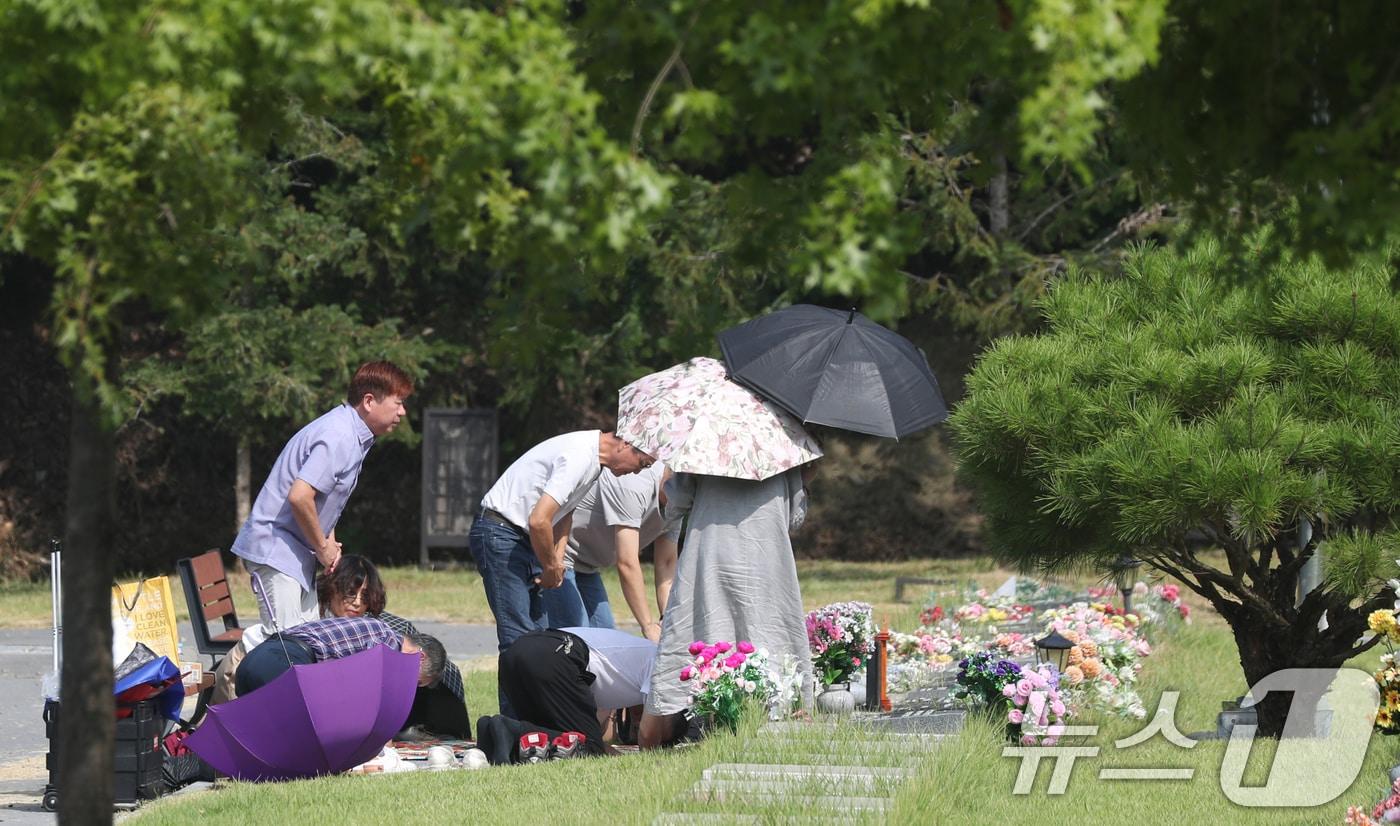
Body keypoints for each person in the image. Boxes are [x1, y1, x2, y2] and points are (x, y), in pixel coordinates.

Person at [638, 466, 816, 748]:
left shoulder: (704, 447)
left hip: (711, 550)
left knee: (706, 627)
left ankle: (684, 723)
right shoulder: (781, 451)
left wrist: (671, 481)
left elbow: (674, 506)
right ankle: (770, 712)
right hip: (765, 556)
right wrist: (805, 480)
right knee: (765, 629)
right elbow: (794, 518)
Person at [231, 361, 412, 633]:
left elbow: (321, 499)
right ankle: (230, 674)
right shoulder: (339, 436)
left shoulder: (352, 434)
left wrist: (328, 541)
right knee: (285, 645)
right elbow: (300, 496)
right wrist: (322, 547)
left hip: (293, 553)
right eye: (398, 403)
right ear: (369, 401)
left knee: (307, 640)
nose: (403, 411)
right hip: (276, 550)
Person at [470, 430, 655, 657]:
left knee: (540, 639)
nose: (637, 471)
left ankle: (538, 693)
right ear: (625, 444)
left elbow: (566, 513)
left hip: (524, 539)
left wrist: (557, 560)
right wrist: (550, 567)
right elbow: (539, 520)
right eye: (642, 463)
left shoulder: (595, 464)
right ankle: (517, 693)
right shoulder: (579, 456)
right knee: (517, 638)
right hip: (502, 533)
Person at [476, 626, 685, 765]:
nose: (639, 723)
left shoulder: (624, 675)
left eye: (635, 727)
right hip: (559, 655)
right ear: (669, 709)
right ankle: (510, 728)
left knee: (547, 744)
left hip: (520, 651)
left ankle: (492, 733)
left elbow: (595, 728)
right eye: (655, 721)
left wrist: (606, 748)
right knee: (587, 747)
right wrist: (634, 761)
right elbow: (648, 737)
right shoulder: (663, 665)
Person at [317, 555, 472, 737]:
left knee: (436, 670)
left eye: (365, 595)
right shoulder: (311, 620)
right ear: (332, 588)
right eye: (350, 592)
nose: (357, 602)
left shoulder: (394, 630)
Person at [540, 463, 681, 640]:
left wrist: (667, 620)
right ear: (669, 477)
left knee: (606, 638)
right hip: (559, 557)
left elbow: (667, 562)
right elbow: (627, 563)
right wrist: (647, 625)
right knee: (579, 639)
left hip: (588, 565)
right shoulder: (635, 484)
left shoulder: (679, 505)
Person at [235, 615, 445, 696]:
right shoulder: (388, 643)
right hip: (284, 661)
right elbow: (368, 693)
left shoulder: (379, 629)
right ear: (420, 657)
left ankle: (204, 765)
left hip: (257, 658)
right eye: (416, 682)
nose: (409, 685)